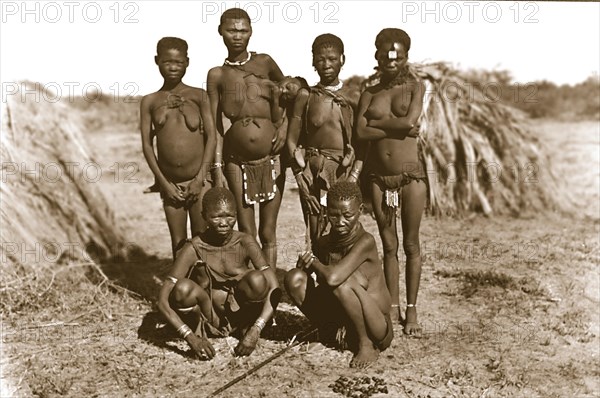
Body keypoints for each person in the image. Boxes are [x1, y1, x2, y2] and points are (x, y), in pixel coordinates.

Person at [355, 28, 426, 336]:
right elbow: (360, 133)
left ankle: (411, 310)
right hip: (377, 177)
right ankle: (392, 305)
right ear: (376, 56)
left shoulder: (414, 87)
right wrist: (395, 127)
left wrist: (378, 124)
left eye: (396, 54)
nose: (390, 59)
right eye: (384, 54)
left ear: (406, 56)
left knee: (410, 244)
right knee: (388, 245)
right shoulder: (368, 93)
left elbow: (411, 122)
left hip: (410, 176)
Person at [157, 187, 280, 359]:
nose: (223, 223)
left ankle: (245, 326)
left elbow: (274, 287)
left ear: (237, 215)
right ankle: (200, 331)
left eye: (229, 216)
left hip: (242, 314)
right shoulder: (193, 247)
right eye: (216, 217)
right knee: (182, 288)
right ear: (204, 216)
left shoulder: (245, 242)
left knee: (258, 280)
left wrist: (257, 328)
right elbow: (162, 299)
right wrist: (189, 336)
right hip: (209, 317)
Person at [207, 8, 286, 270]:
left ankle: (271, 292)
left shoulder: (265, 62)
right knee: (247, 232)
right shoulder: (216, 75)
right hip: (235, 161)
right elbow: (216, 126)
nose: (237, 36)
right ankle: (253, 290)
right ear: (220, 31)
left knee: (268, 233)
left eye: (243, 30)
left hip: (272, 158)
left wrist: (284, 127)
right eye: (231, 30)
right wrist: (216, 168)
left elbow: (292, 92)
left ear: (251, 31)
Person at [284, 181, 393, 368]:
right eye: (334, 215)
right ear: (326, 212)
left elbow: (334, 278)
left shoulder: (366, 241)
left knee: (342, 282)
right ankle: (328, 329)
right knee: (294, 278)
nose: (340, 221)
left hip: (376, 326)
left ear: (360, 210)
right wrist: (304, 267)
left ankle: (365, 344)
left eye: (347, 215)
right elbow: (320, 281)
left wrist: (315, 263)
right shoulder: (324, 242)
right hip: (344, 317)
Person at [140, 37, 217, 259]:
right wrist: (165, 184)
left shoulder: (198, 96)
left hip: (199, 183)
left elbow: (211, 137)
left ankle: (205, 290)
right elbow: (146, 145)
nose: (173, 67)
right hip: (170, 185)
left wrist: (200, 179)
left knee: (202, 238)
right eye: (167, 62)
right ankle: (181, 291)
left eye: (179, 62)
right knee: (179, 243)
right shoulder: (150, 101)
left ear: (187, 63)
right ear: (157, 61)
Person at [285, 33, 360, 244]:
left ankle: (339, 276)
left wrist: (353, 176)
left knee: (342, 230)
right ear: (313, 61)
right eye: (320, 59)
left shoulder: (353, 96)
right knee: (315, 228)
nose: (326, 64)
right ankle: (314, 274)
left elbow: (363, 142)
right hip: (311, 173)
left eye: (332, 59)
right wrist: (300, 175)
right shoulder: (306, 96)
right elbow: (291, 140)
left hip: (342, 172)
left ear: (342, 60)